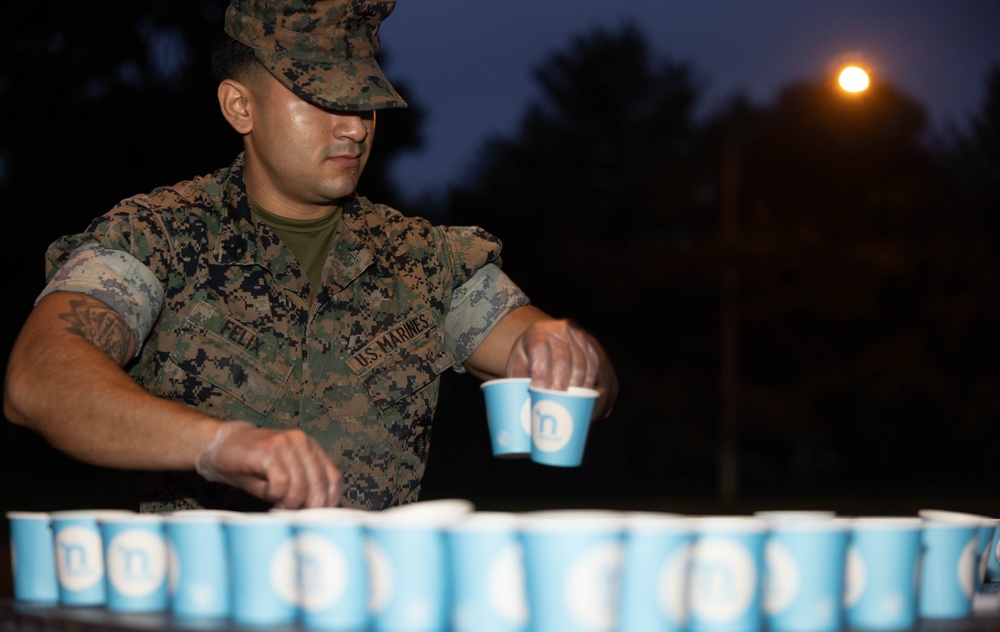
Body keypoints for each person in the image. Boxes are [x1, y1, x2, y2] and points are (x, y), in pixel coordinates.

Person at [2, 0, 618, 513]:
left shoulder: (425, 260)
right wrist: (220, 445)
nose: (353, 127)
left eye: (364, 101)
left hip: (366, 627)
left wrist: (572, 355)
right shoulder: (157, 238)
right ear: (239, 106)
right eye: (321, 99)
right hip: (200, 620)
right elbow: (37, 380)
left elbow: (584, 384)